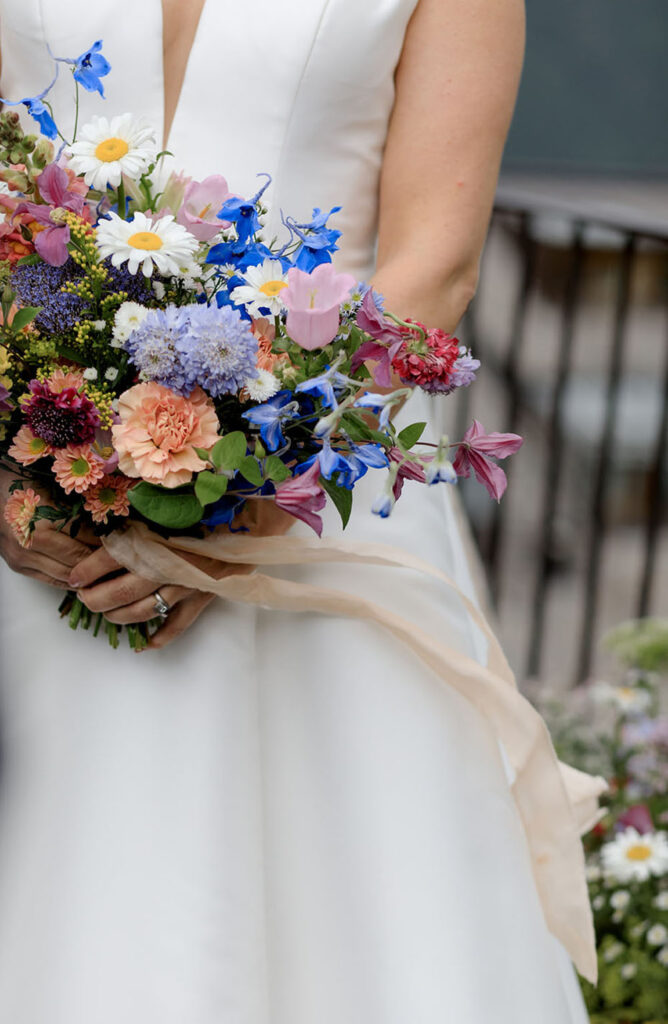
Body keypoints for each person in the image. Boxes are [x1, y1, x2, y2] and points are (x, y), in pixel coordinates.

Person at [0, 2, 595, 1020]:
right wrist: (24, 479)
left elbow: (435, 263)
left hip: (320, 514)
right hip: (47, 509)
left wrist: (248, 495)